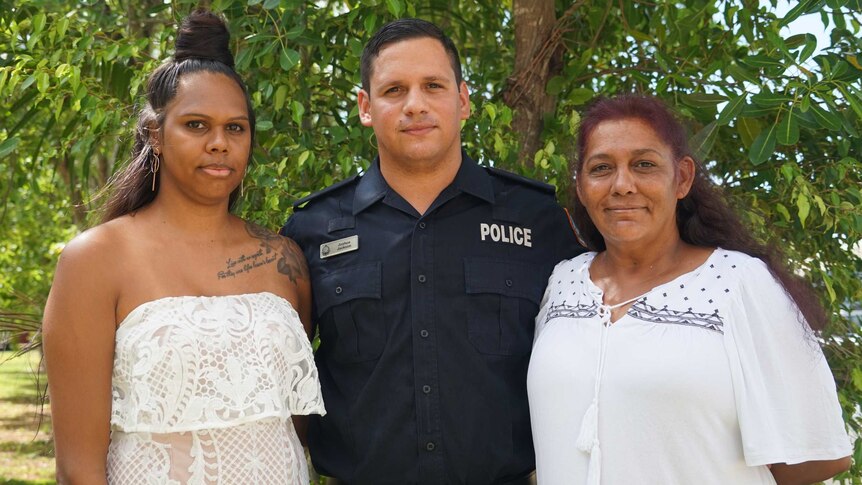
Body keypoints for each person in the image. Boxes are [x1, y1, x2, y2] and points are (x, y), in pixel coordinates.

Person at [281, 18, 583, 484]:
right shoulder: (311, 228)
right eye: (394, 90)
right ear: (366, 107)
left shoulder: (536, 219)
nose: (415, 105)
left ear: (462, 100)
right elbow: (286, 377)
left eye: (433, 86)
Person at [42, 10, 324, 484]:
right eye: (196, 125)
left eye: (236, 128)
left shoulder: (284, 259)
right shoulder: (95, 260)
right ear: (155, 134)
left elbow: (292, 427)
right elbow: (78, 468)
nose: (219, 143)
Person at [527, 94, 852, 485]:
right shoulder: (562, 282)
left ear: (681, 178)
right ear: (580, 186)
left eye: (644, 165)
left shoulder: (739, 282)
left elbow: (815, 456)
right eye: (601, 168)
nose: (623, 185)